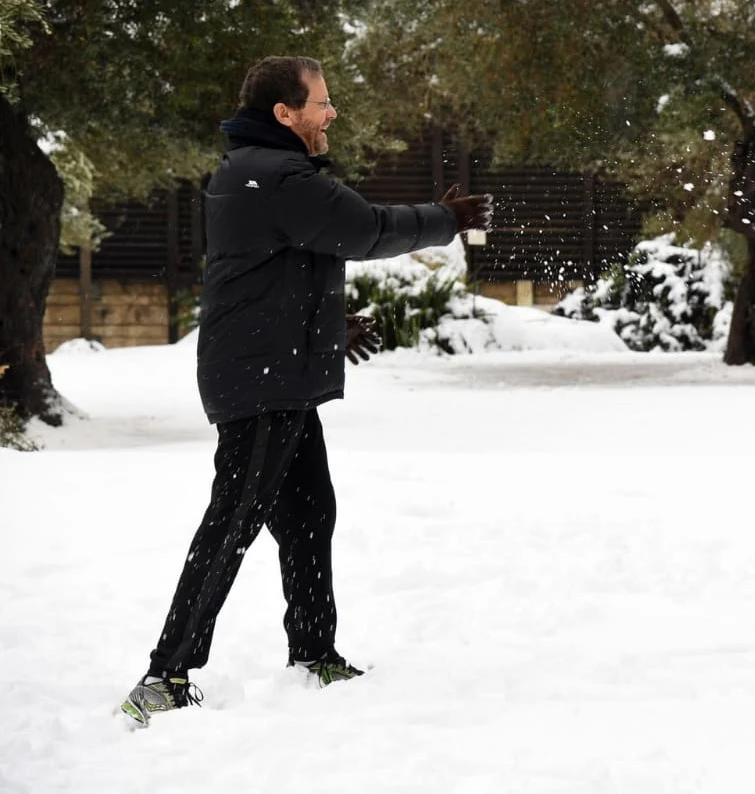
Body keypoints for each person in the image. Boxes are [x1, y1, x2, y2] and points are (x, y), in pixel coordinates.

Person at [120, 56, 492, 726]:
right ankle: (164, 673)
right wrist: (446, 217)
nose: (332, 113)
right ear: (285, 114)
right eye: (321, 101)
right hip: (263, 381)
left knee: (309, 513)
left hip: (274, 371)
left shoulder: (259, 172)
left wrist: (324, 327)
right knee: (231, 523)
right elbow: (364, 229)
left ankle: (314, 650)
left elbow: (284, 263)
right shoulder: (274, 173)